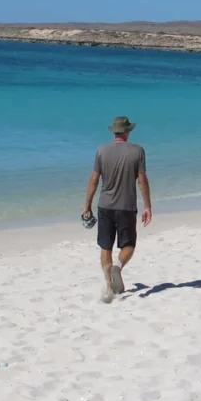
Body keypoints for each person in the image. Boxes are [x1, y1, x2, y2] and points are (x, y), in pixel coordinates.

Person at [82, 116, 152, 302]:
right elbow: (142, 180)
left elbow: (94, 179)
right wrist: (147, 205)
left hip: (105, 206)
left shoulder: (101, 151)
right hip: (126, 207)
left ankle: (109, 287)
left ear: (114, 132)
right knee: (129, 245)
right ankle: (118, 267)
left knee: (105, 246)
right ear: (128, 131)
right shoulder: (137, 151)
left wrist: (87, 205)